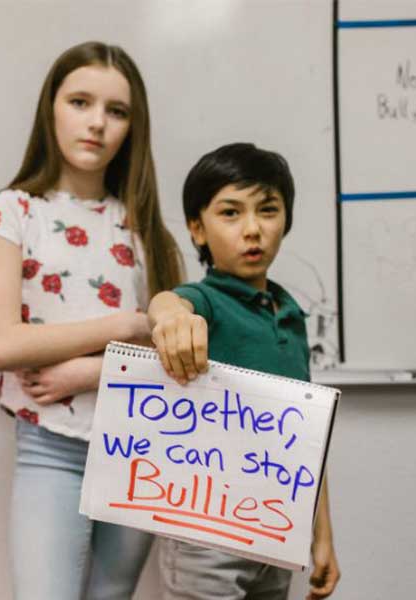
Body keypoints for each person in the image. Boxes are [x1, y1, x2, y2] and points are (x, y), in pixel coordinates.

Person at [0, 41, 183, 599]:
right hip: (51, 448)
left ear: (133, 127)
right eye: (80, 102)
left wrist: (84, 374)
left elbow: (179, 361)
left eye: (117, 111)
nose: (97, 123)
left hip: (139, 445)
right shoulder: (11, 213)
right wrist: (129, 325)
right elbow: (4, 345)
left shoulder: (147, 232)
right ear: (51, 109)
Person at [147, 143, 340, 600]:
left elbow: (308, 437)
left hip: (275, 529)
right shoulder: (205, 301)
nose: (252, 229)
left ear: (285, 221)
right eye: (230, 213)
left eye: (268, 210)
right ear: (197, 228)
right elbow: (165, 304)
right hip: (205, 535)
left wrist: (322, 537)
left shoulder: (290, 315)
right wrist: (171, 317)